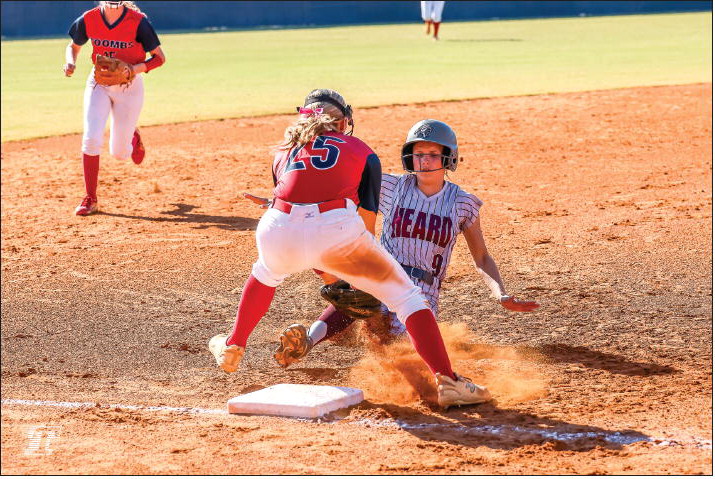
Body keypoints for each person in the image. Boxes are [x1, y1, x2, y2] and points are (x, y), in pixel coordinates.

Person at [209, 91, 492, 408]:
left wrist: (331, 278)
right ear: (343, 122)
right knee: (407, 298)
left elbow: (294, 204)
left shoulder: (283, 150)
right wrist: (356, 277)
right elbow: (364, 225)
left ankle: (233, 344)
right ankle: (448, 381)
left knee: (265, 273)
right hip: (335, 228)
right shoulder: (362, 151)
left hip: (276, 228)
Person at [272, 119, 540, 379]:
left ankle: (393, 350)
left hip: (422, 291)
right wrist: (291, 202)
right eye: (417, 154)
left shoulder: (463, 203)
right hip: (384, 273)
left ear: (449, 158)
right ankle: (307, 340)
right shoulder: (392, 187)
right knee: (357, 292)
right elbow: (337, 186)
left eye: (432, 155)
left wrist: (500, 293)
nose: (423, 161)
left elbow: (481, 256)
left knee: (400, 351)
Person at [63, 1, 166, 216]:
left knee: (119, 153)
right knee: (91, 138)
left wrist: (133, 69)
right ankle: (90, 198)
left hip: (129, 86)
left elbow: (159, 58)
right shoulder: (89, 18)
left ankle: (133, 137)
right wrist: (70, 63)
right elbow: (72, 47)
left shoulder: (138, 22)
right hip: (99, 83)